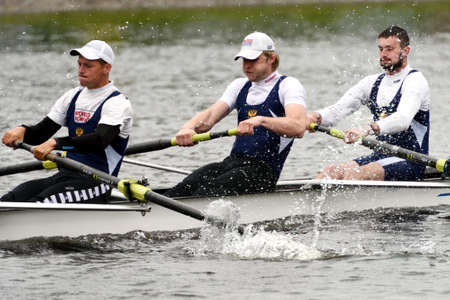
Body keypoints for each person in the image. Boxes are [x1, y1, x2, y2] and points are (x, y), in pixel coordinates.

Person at [165, 31, 307, 197]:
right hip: (232, 164)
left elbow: (298, 127)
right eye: (244, 60)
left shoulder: (288, 85)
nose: (247, 65)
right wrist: (188, 128)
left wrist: (260, 120)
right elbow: (209, 117)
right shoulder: (239, 85)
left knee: (207, 192)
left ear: (271, 58)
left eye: (253, 60)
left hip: (262, 173)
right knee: (182, 190)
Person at [1, 40, 133, 203]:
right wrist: (22, 131)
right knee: (12, 197)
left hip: (98, 183)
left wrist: (56, 143)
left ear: (107, 68)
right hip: (66, 176)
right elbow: (41, 133)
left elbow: (99, 141)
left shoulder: (117, 103)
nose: (81, 70)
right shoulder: (72, 97)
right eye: (79, 64)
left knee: (40, 203)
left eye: (88, 66)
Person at [308, 26, 430, 181]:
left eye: (389, 49)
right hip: (380, 157)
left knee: (355, 174)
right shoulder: (371, 83)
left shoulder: (415, 80)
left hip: (411, 160)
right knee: (331, 171)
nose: (383, 54)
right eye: (380, 49)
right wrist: (315, 117)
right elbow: (338, 110)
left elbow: (403, 119)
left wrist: (366, 129)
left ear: (405, 51)